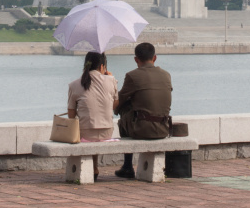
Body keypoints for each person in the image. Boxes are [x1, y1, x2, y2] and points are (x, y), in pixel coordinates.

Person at [114, 42, 172, 179]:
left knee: (124, 110)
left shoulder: (132, 76)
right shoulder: (166, 75)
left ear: (136, 59)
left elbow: (117, 103)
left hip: (143, 129)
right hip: (164, 128)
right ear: (155, 57)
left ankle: (127, 166)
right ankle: (127, 167)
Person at [68, 51, 119, 181]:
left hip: (85, 134)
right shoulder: (111, 80)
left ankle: (93, 167)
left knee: (87, 128)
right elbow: (114, 107)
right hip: (106, 132)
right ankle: (94, 167)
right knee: (94, 130)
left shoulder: (74, 84)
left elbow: (71, 115)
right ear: (102, 66)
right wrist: (110, 79)